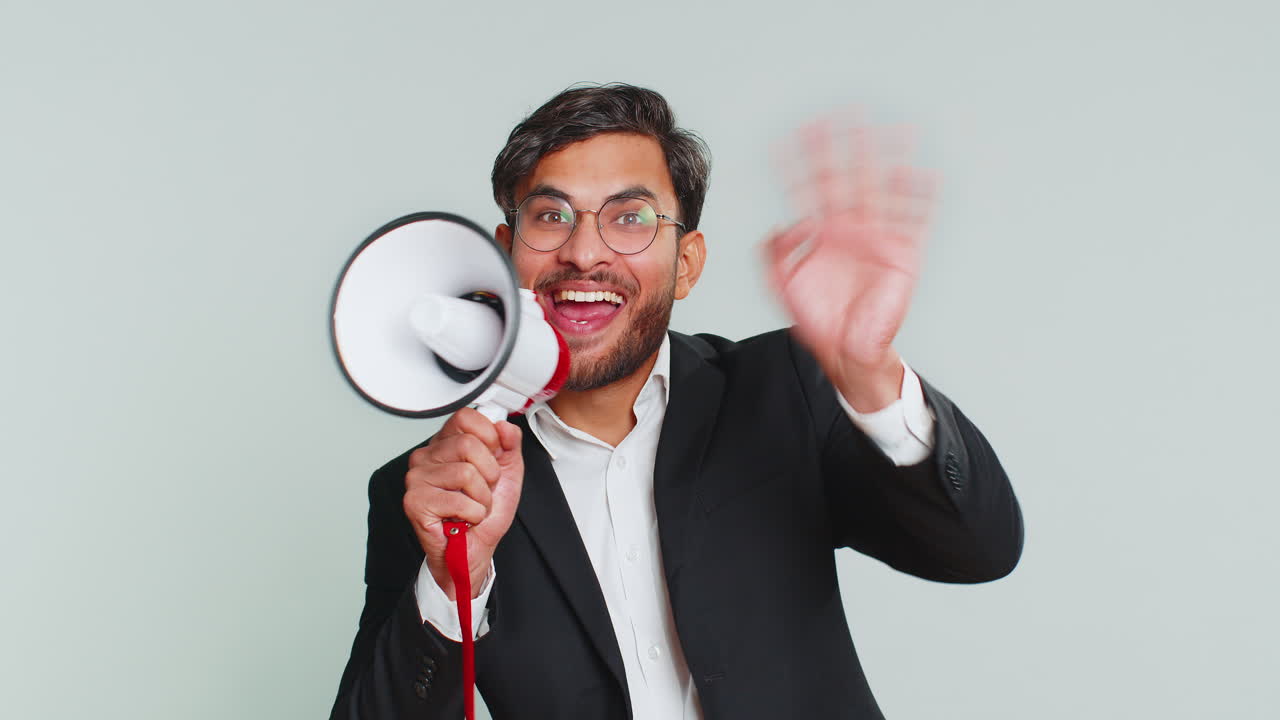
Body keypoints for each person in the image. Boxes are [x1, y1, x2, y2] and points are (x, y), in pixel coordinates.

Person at [329, 83, 1023, 720]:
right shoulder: (434, 493)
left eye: (630, 217)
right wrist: (454, 580)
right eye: (551, 215)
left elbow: (979, 550)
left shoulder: (784, 389)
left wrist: (869, 371)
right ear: (507, 253)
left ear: (685, 264)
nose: (584, 253)